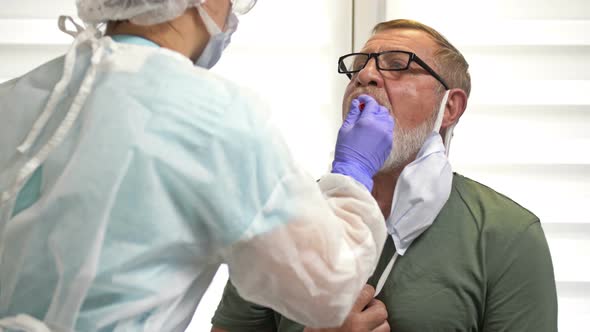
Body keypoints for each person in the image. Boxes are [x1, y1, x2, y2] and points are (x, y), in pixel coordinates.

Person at [0, 0, 397, 331]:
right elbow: (328, 287)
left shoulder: (17, 97)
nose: (367, 76)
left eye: (397, 63)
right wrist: (353, 172)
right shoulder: (215, 116)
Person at [210, 19, 558, 332]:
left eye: (397, 65)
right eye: (359, 67)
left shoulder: (508, 235)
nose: (365, 75)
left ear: (449, 107)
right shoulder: (279, 218)